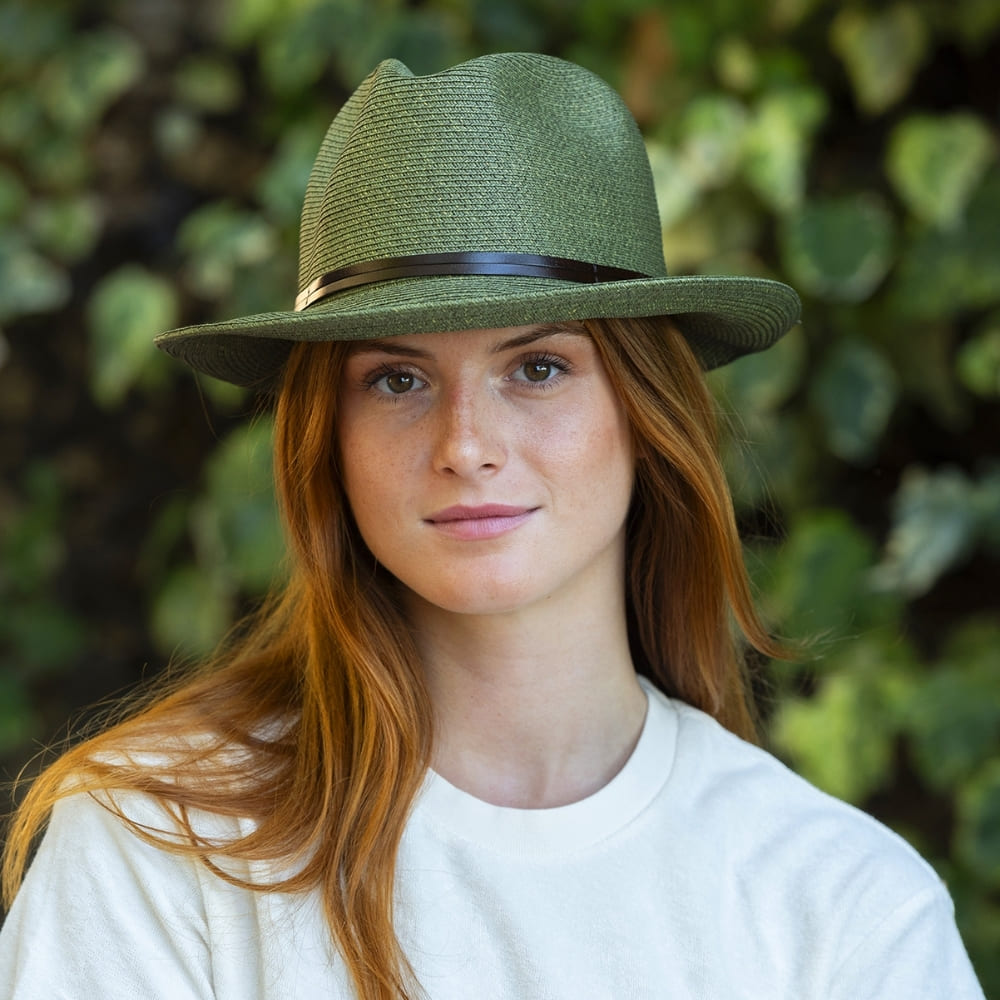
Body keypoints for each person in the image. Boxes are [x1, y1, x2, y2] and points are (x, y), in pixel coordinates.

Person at [0, 53, 984, 1000]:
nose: (466, 444)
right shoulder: (158, 844)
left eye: (537, 367)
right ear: (326, 441)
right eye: (396, 379)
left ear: (646, 415)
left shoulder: (843, 906)